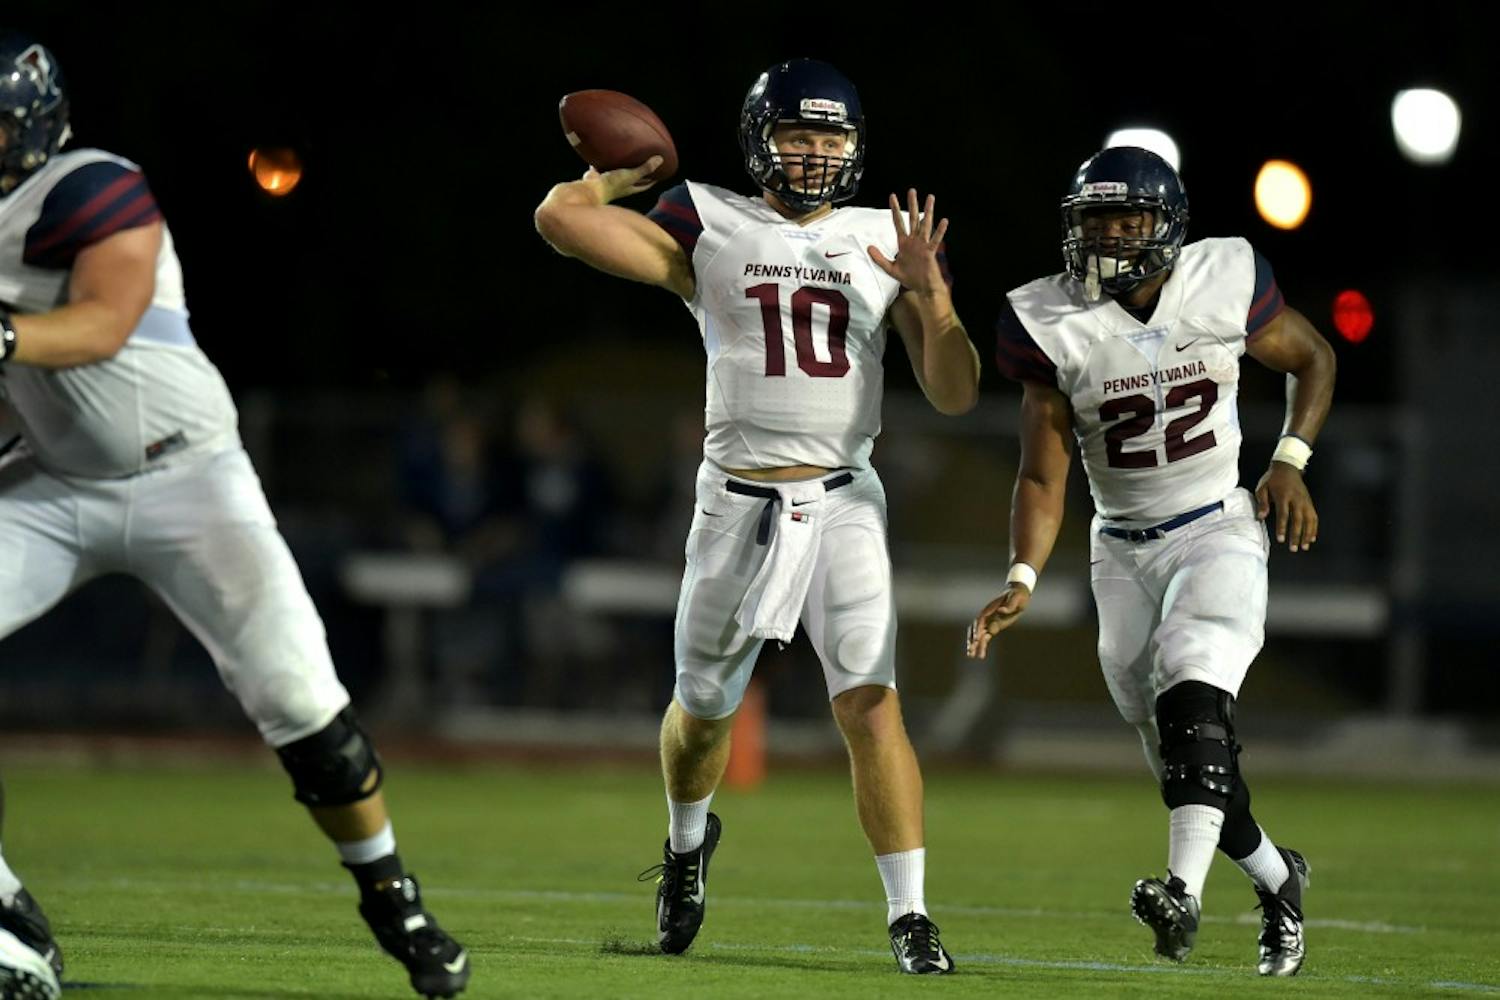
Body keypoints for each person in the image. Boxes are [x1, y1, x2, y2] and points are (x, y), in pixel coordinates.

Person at [0, 35, 469, 999]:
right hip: (54, 481)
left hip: (190, 476)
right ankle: (7, 914)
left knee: (302, 703)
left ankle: (391, 894)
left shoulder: (90, 183)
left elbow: (105, 321)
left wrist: (2, 334)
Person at [535, 57, 980, 974]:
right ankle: (686, 845)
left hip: (844, 501)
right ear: (759, 141)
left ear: (855, 147)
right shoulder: (707, 219)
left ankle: (910, 914)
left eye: (830, 138)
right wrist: (611, 177)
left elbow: (955, 393)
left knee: (871, 702)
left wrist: (933, 299)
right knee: (704, 709)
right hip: (735, 501)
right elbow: (560, 221)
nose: (814, 154)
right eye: (797, 135)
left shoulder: (884, 237)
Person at [966, 145, 1336, 977]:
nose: (1109, 237)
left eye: (1128, 219)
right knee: (1187, 762)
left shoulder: (1222, 277)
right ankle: (1278, 879)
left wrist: (1290, 460)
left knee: (1193, 684)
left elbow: (1314, 356)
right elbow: (1042, 473)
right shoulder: (1048, 318)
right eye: (1095, 221)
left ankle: (1182, 894)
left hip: (1215, 528)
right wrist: (1022, 575)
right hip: (1120, 552)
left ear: (1167, 225)